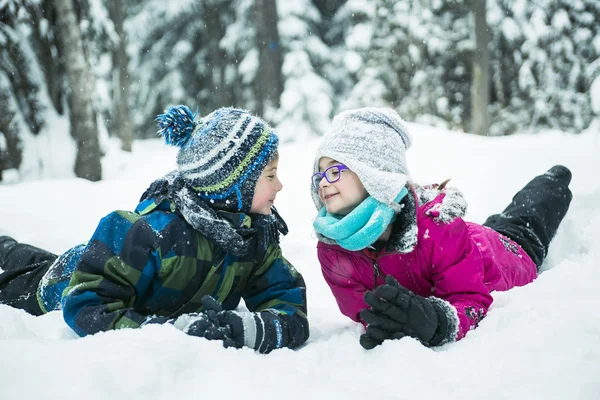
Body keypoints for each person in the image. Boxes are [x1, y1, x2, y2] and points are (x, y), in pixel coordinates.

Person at [0, 106, 309, 354]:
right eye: (270, 175)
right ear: (231, 184)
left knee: (24, 255)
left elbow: (289, 306)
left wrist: (246, 331)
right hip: (67, 281)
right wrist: (168, 334)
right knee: (18, 268)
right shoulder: (151, 234)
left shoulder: (253, 238)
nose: (279, 185)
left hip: (105, 268)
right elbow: (86, 306)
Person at [311, 107, 572, 349]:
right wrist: (391, 324)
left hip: (506, 254)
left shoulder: (437, 227)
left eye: (334, 171)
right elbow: (363, 310)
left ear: (375, 174)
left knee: (528, 215)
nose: (323, 182)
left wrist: (437, 322)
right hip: (468, 244)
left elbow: (471, 302)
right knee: (494, 222)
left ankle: (552, 181)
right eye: (319, 174)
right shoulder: (332, 250)